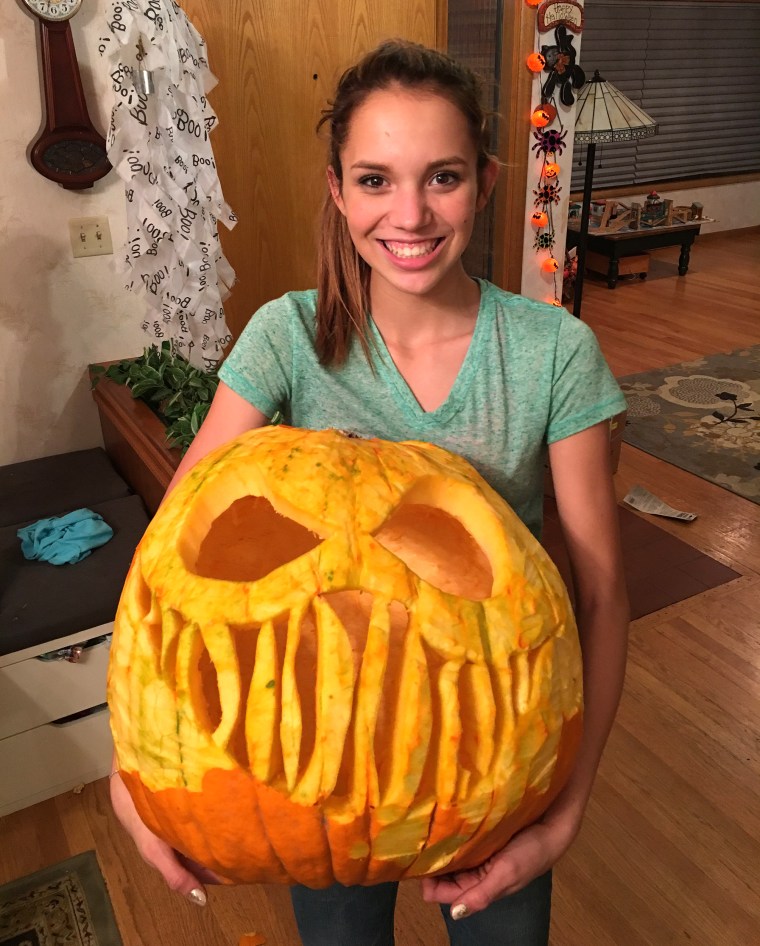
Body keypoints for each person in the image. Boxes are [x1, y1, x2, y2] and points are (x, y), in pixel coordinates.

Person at [110, 38, 629, 946]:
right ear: (338, 191)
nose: (412, 213)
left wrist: (568, 809)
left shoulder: (552, 354)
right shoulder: (285, 338)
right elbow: (173, 557)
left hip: (492, 752)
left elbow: (600, 594)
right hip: (318, 759)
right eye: (377, 180)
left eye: (444, 177)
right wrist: (135, 763)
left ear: (489, 180)